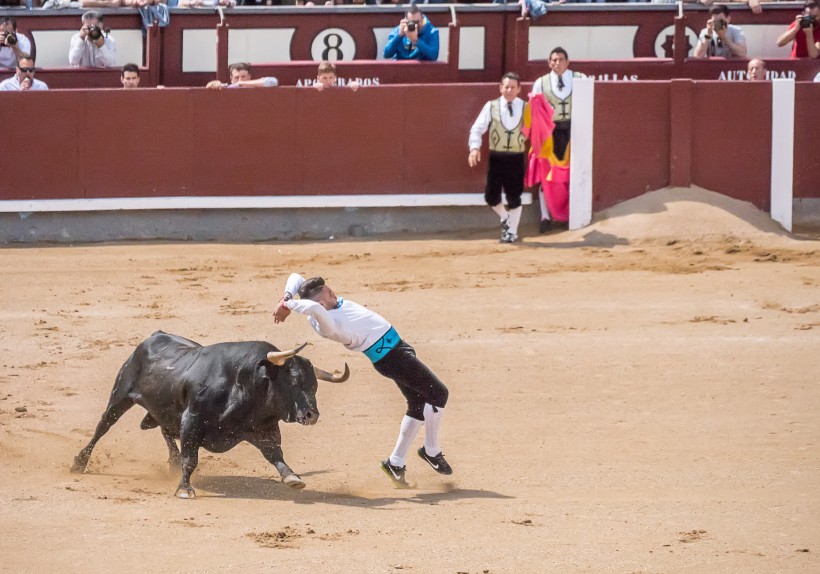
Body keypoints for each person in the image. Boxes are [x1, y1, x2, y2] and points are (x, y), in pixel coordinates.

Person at [272, 274, 452, 489]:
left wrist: (286, 297)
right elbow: (315, 310)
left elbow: (296, 277)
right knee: (439, 394)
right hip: (392, 359)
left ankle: (395, 463)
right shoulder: (328, 325)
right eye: (329, 293)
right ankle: (431, 451)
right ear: (319, 303)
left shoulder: (327, 307)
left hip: (399, 350)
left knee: (417, 404)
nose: (334, 293)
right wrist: (288, 305)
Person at [468, 72, 527, 244]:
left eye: (512, 87)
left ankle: (512, 232)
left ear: (519, 90)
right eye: (506, 87)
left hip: (516, 156)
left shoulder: (526, 107)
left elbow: (538, 130)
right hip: (497, 156)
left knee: (514, 196)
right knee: (491, 196)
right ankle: (505, 218)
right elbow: (477, 128)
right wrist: (474, 148)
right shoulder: (491, 106)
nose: (509, 90)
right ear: (500, 88)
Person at [527, 46, 581, 233]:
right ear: (549, 63)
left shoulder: (580, 79)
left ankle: (573, 215)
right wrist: (535, 138)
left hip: (574, 132)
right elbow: (533, 112)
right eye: (553, 60)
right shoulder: (540, 83)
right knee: (547, 176)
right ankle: (545, 216)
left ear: (567, 61)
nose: (557, 63)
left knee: (572, 175)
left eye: (560, 60)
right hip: (549, 134)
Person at [205, 62, 278, 89]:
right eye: (236, 77)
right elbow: (209, 86)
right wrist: (213, 84)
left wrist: (241, 84)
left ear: (249, 77)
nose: (240, 80)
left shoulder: (256, 86)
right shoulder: (229, 88)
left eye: (243, 77)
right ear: (231, 79)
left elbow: (273, 82)